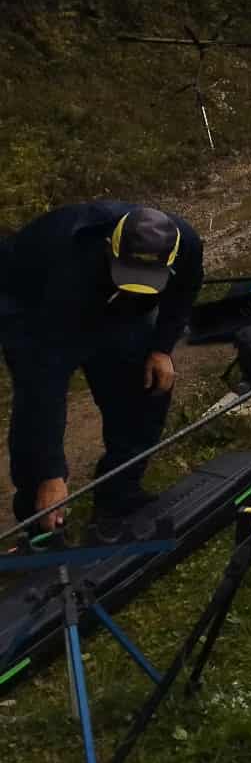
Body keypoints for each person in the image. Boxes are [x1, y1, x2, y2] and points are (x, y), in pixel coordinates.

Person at [0, 201, 205, 538]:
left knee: (146, 389)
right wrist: (51, 472)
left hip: (120, 312)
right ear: (110, 246)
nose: (132, 282)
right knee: (35, 405)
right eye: (129, 273)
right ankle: (38, 519)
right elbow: (43, 384)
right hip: (32, 307)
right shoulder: (69, 255)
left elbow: (184, 292)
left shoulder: (186, 244)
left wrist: (161, 348)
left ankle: (118, 495)